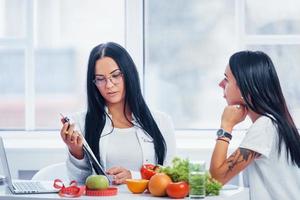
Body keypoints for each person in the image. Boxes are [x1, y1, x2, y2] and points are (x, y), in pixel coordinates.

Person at [60, 42, 176, 184]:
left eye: (115, 75)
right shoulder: (80, 123)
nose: (109, 85)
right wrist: (76, 152)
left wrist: (134, 176)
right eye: (100, 79)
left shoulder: (161, 121)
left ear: (129, 74)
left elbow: (171, 175)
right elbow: (80, 182)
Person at [210, 50, 300, 200]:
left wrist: (226, 126)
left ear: (246, 86)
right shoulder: (273, 123)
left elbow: (216, 179)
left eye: (227, 79)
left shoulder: (264, 127)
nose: (220, 84)